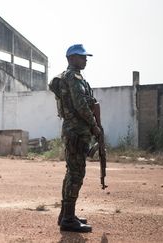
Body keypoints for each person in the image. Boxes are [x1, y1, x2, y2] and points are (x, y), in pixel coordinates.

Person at [53, 44, 101, 232]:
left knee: (71, 172)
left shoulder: (77, 77)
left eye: (85, 57)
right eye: (82, 57)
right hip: (76, 131)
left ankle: (66, 215)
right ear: (72, 58)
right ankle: (68, 219)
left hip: (76, 131)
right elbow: (81, 105)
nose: (85, 59)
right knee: (76, 174)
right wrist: (95, 127)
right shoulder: (72, 77)